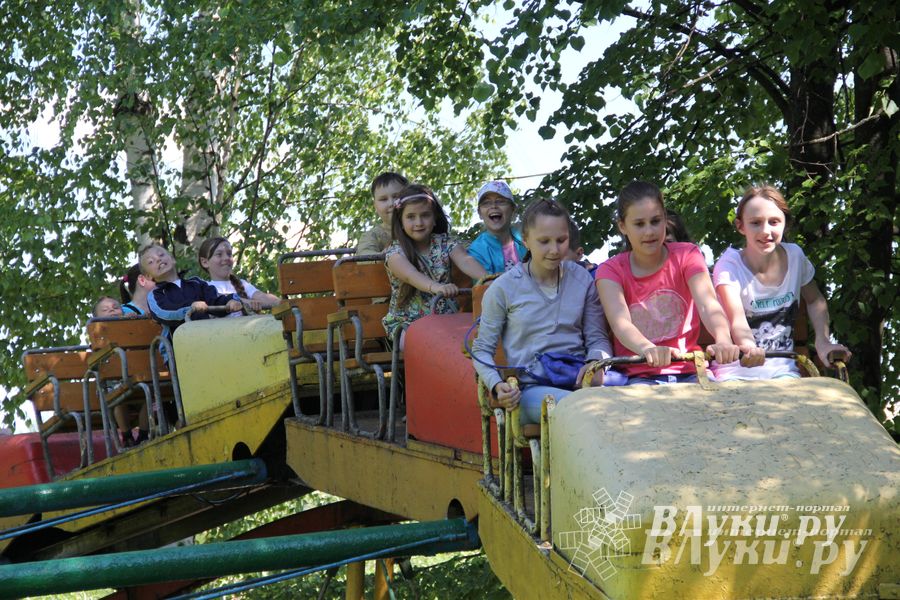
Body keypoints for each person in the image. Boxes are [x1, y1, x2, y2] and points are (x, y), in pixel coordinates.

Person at [471, 198, 612, 424]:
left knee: (622, 408)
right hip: (531, 389)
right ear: (526, 241)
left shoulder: (581, 278)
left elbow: (597, 338)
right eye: (544, 241)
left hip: (579, 382)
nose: (554, 250)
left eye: (561, 240)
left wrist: (595, 365)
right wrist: (497, 385)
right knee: (583, 412)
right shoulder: (503, 288)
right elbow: (481, 349)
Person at [595, 181, 740, 384]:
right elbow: (621, 324)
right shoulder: (610, 270)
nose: (649, 231)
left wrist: (723, 339)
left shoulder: (687, 255)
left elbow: (708, 304)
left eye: (655, 221)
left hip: (690, 369)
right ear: (622, 226)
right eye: (639, 224)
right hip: (639, 375)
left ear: (665, 219)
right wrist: (648, 349)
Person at [712, 184, 851, 380]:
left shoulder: (795, 256)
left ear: (785, 224)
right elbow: (736, 319)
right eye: (756, 223)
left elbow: (814, 301)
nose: (766, 231)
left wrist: (823, 341)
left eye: (774, 222)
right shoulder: (729, 266)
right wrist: (749, 347)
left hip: (782, 371)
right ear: (740, 226)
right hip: (736, 372)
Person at [383, 184, 488, 348]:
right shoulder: (396, 252)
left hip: (444, 322)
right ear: (401, 221)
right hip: (407, 324)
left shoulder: (445, 243)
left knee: (472, 341)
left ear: (434, 218)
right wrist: (437, 287)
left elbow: (465, 260)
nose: (418, 222)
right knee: (432, 345)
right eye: (411, 217)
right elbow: (410, 274)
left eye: (425, 215)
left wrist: (488, 279)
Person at [141, 244, 243, 341]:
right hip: (180, 347)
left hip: (211, 336)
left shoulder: (197, 283)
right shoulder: (155, 295)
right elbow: (164, 313)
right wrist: (191, 308)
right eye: (151, 261)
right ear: (148, 276)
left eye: (161, 255)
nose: (158, 259)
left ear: (173, 259)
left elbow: (215, 300)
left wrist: (230, 301)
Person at [198, 237, 281, 317]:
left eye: (229, 254)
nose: (226, 258)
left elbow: (262, 297)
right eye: (219, 254)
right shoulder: (204, 288)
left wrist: (281, 303)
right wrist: (246, 302)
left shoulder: (242, 284)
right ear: (205, 262)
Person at [467, 180, 527, 274]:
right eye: (486, 203)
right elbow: (486, 285)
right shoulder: (477, 250)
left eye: (500, 201)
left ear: (513, 209)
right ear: (480, 213)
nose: (494, 206)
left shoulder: (527, 238)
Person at [357, 172, 409, 255]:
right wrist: (386, 256)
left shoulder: (417, 228)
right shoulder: (372, 235)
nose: (391, 203)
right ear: (375, 206)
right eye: (383, 199)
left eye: (396, 197)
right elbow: (364, 256)